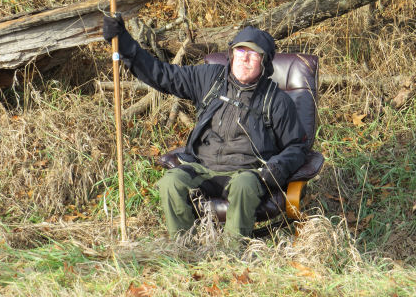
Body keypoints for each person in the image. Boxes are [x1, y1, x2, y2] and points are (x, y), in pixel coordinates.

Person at [103, 15, 307, 239]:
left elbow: (296, 147)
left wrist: (277, 167)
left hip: (245, 173)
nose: (244, 59)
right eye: (240, 51)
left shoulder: (276, 100)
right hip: (203, 169)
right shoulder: (210, 79)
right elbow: (162, 75)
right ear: (231, 54)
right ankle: (183, 248)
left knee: (245, 185)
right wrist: (123, 43)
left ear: (264, 62)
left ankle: (233, 254)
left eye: (253, 54)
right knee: (171, 182)